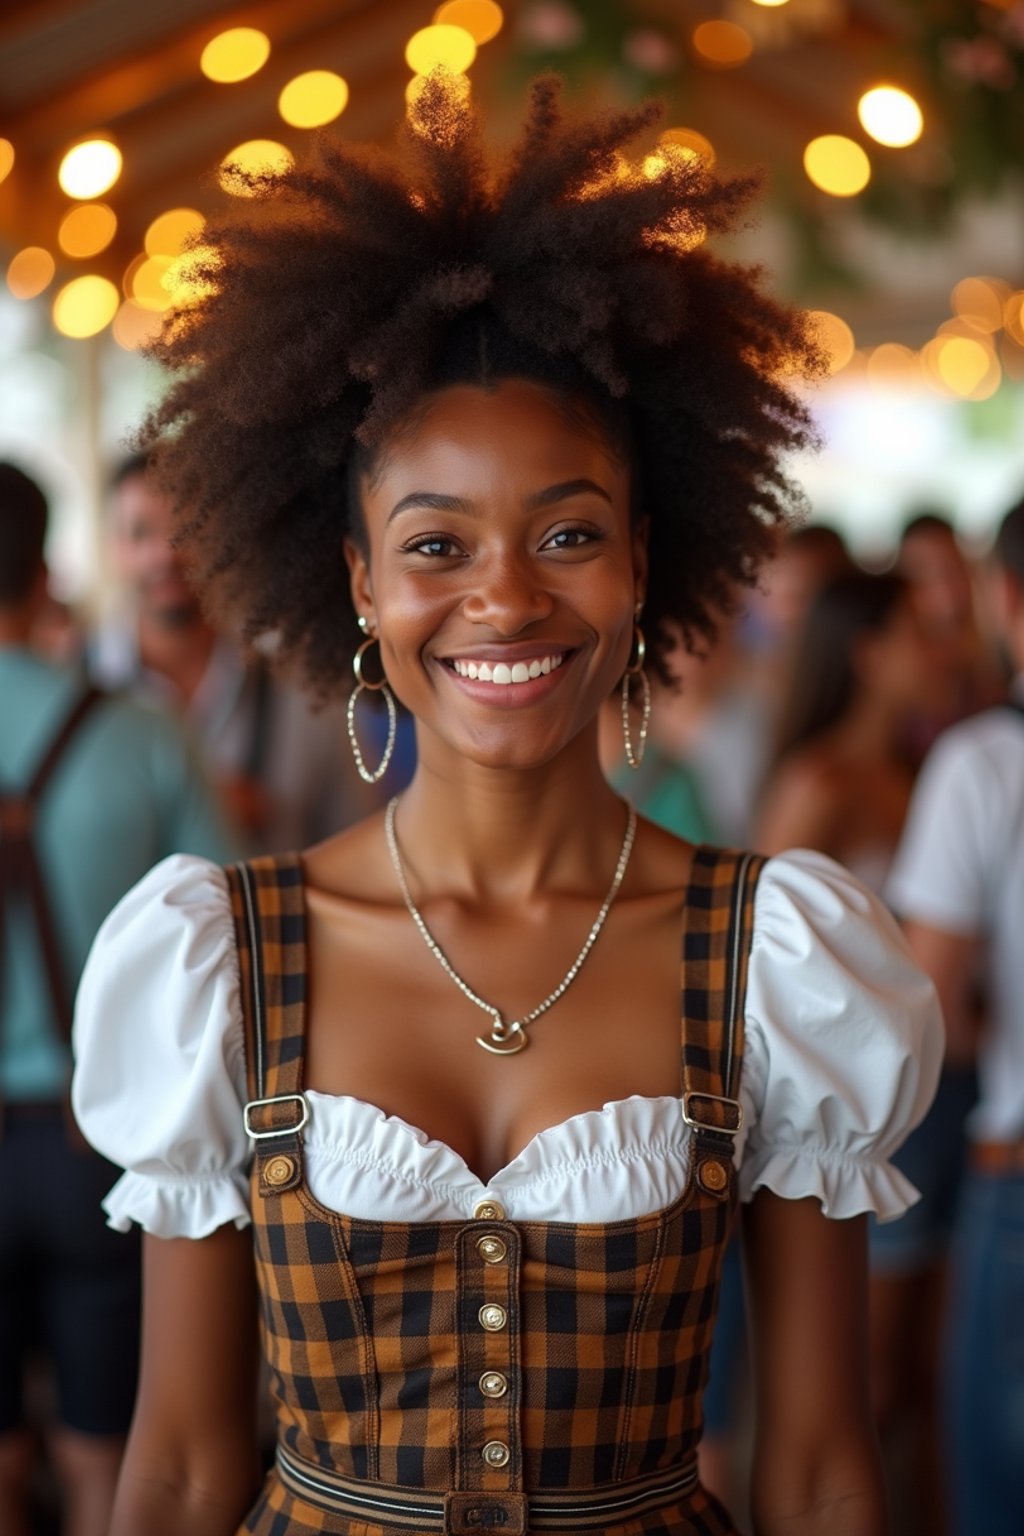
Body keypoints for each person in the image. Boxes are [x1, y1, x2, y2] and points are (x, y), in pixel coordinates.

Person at [72, 76, 942, 1536]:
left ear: (645, 558)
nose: (506, 595)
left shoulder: (772, 953)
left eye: (569, 532)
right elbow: (176, 1470)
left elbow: (816, 1469)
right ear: (358, 581)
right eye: (435, 543)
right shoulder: (220, 958)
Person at [0, 462, 235, 1536]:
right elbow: (223, 949)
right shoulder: (140, 734)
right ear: (43, 573)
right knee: (106, 1459)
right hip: (102, 1140)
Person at [886, 498, 1024, 1536]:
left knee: (994, 1484)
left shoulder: (982, 762)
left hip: (1012, 1159)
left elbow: (935, 1006)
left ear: (1005, 601)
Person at [91, 454, 402, 851]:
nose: (165, 554)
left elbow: (367, 845)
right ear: (113, 549)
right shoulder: (76, 684)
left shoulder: (305, 680)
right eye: (140, 533)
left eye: (187, 529)